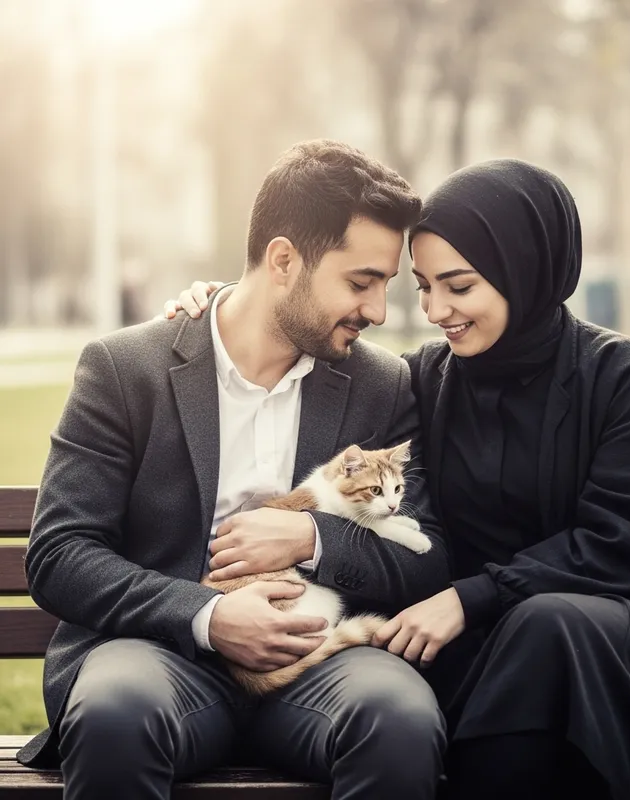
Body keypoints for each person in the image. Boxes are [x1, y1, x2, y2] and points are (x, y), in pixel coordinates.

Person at [170, 159, 630, 799]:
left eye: (459, 287)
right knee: (523, 638)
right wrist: (228, 302)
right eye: (423, 287)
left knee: (550, 624)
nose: (437, 309)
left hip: (623, 632)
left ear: (523, 271)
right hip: (482, 645)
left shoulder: (617, 373)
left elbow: (628, 545)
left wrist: (471, 597)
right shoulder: (429, 380)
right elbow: (295, 313)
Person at [19, 140, 449, 800]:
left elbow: (428, 555)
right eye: (360, 282)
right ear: (283, 260)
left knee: (400, 719)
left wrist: (314, 542)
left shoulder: (382, 385)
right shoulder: (125, 370)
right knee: (113, 714)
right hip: (159, 655)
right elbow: (60, 553)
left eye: (385, 285)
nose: (377, 311)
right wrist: (207, 617)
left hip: (320, 663)